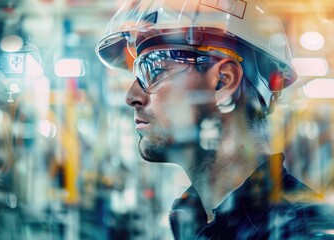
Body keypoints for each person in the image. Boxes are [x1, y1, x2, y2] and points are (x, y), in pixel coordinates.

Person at [96, 0, 334, 239]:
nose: (132, 97)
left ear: (223, 81)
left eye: (154, 69)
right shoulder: (195, 220)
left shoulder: (303, 232)